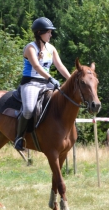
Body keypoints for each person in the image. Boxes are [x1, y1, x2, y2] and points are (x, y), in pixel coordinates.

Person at [14, 17, 71, 151]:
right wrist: (51, 78)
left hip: (46, 84)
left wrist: (71, 80)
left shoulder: (51, 49)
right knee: (28, 109)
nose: (51, 34)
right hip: (30, 83)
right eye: (49, 32)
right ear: (40, 32)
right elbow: (36, 66)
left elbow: (60, 66)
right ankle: (19, 138)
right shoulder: (30, 48)